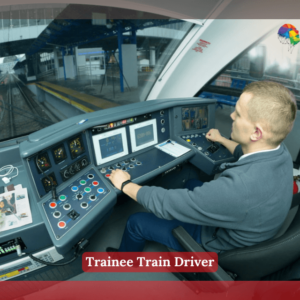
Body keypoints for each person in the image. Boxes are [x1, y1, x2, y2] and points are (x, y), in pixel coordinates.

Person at [108, 81, 297, 253]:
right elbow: (243, 152)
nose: (231, 115)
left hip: (212, 243)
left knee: (136, 222)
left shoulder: (239, 188)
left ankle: (125, 260)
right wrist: (222, 139)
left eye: (238, 114)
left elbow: (166, 204)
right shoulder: (280, 153)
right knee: (191, 182)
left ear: (256, 132)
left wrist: (125, 185)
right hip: (249, 226)